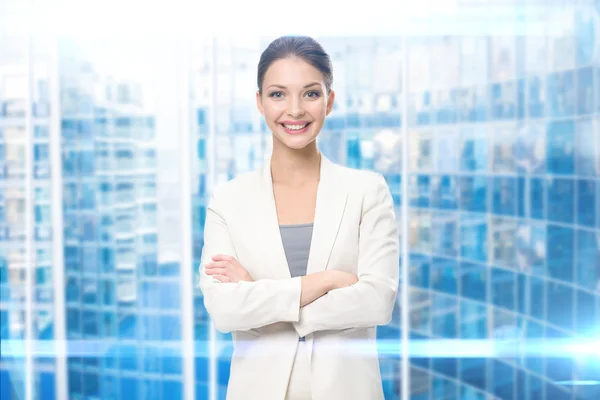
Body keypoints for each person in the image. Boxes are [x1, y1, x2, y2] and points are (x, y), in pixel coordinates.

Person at [198, 35, 399, 400]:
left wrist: (260, 298)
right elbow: (224, 310)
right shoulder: (228, 200)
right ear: (259, 102)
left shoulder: (367, 192)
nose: (294, 110)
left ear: (330, 101)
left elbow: (376, 301)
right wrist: (324, 282)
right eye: (278, 94)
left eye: (310, 93)